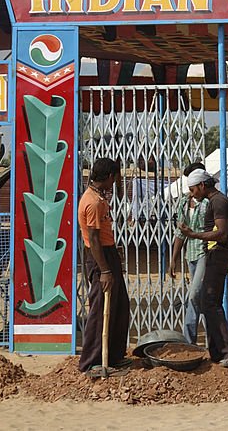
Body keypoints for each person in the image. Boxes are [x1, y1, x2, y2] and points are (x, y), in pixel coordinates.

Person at [178, 169, 228, 367]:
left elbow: (222, 234)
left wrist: (193, 234)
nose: (192, 193)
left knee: (210, 303)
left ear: (202, 185)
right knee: (209, 303)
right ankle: (217, 352)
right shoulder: (215, 201)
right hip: (214, 255)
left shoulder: (218, 202)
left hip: (218, 254)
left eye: (193, 189)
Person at [77, 157, 131, 374]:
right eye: (115, 177)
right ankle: (92, 362)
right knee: (100, 310)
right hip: (100, 259)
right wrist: (106, 270)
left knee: (119, 306)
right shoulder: (93, 202)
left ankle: (115, 356)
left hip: (108, 253)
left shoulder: (99, 198)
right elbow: (94, 239)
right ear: (110, 176)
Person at [168, 162, 210, 345]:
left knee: (194, 295)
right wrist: (173, 259)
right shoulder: (184, 202)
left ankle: (191, 340)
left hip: (205, 253)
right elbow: (180, 233)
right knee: (201, 297)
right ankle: (204, 340)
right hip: (190, 255)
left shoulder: (209, 202)